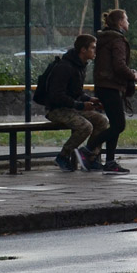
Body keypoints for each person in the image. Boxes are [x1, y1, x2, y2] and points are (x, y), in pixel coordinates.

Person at [42, 34, 109, 172]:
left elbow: (76, 92)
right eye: (93, 48)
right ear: (83, 50)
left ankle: (91, 157)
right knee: (85, 126)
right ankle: (63, 156)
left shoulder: (80, 65)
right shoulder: (65, 67)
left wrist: (89, 100)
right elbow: (56, 95)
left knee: (102, 121)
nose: (95, 51)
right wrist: (80, 105)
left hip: (71, 107)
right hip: (56, 109)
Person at [94, 8, 137, 174]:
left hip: (103, 85)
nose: (128, 22)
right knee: (119, 125)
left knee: (115, 124)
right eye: (126, 19)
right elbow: (119, 66)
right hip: (111, 86)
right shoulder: (117, 40)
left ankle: (110, 161)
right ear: (120, 22)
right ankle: (88, 149)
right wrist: (133, 75)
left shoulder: (104, 38)